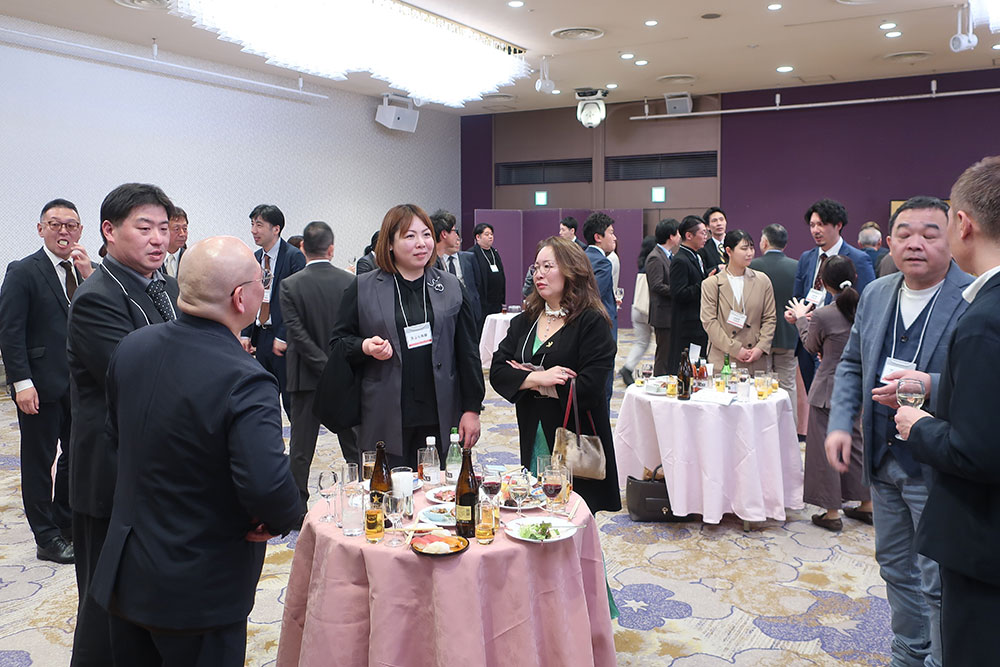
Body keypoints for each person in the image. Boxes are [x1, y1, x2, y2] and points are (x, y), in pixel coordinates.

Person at [90, 236, 303, 667]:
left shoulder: (132, 347)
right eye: (261, 282)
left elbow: (116, 439)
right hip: (198, 584)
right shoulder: (246, 378)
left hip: (127, 570)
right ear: (241, 297)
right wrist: (284, 517)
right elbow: (267, 484)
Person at [826, 195, 970, 667]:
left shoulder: (973, 297)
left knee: (939, 577)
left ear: (954, 238)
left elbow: (983, 382)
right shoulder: (876, 293)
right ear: (889, 242)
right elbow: (852, 363)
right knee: (893, 567)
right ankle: (908, 652)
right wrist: (840, 423)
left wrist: (929, 386)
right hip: (883, 459)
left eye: (930, 234)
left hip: (938, 464)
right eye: (905, 234)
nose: (916, 244)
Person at [66, 183, 179, 667]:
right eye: (144, 228)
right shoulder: (98, 297)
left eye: (164, 229)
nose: (158, 239)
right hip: (110, 473)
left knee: (141, 601)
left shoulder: (166, 287)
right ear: (109, 231)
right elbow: (133, 380)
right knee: (103, 605)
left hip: (154, 467)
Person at [895, 156, 1000, 666]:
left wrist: (919, 425)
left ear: (962, 224)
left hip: (982, 539)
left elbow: (977, 452)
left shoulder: (983, 318)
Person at [327, 204, 484, 468]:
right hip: (384, 411)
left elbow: (468, 352)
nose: (421, 243)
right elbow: (338, 343)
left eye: (426, 234)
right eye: (410, 236)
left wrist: (472, 409)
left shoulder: (451, 287)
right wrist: (365, 346)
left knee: (437, 486)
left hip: (440, 410)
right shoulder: (363, 287)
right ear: (389, 243)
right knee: (388, 487)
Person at [490, 236, 621, 513]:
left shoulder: (591, 322)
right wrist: (540, 378)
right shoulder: (525, 321)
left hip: (574, 438)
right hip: (533, 428)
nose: (538, 274)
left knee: (571, 515)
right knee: (535, 510)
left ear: (572, 270)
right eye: (536, 267)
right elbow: (499, 371)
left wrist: (524, 379)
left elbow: (590, 388)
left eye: (547, 266)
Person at [0, 198, 95, 565]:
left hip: (81, 384)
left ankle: (65, 519)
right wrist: (21, 382)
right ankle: (45, 536)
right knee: (39, 461)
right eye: (55, 224)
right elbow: (10, 331)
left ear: (80, 230)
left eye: (71, 225)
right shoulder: (24, 271)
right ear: (41, 229)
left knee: (77, 454)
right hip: (39, 385)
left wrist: (90, 275)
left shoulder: (89, 270)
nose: (63, 231)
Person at [786, 256, 871, 531]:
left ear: (822, 283)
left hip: (827, 389)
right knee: (855, 445)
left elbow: (811, 346)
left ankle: (832, 512)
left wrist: (801, 319)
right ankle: (866, 503)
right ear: (855, 277)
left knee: (824, 450)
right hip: (856, 387)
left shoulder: (824, 314)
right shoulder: (866, 310)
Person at [279, 221, 358, 509]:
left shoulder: (289, 285)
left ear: (302, 248)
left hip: (305, 378)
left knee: (301, 450)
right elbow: (355, 330)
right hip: (344, 377)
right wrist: (334, 369)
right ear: (331, 249)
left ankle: (296, 509)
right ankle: (364, 498)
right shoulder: (350, 282)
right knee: (354, 445)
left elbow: (297, 335)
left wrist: (322, 367)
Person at [794, 198, 876, 392]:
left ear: (838, 225)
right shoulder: (807, 258)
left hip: (837, 346)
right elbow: (798, 296)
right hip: (808, 339)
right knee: (814, 396)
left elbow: (868, 304)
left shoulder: (858, 259)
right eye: (812, 225)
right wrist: (796, 315)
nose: (815, 230)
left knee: (832, 401)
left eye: (821, 224)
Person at [240, 204, 306, 419]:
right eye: (252, 224)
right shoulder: (255, 257)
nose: (253, 230)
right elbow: (249, 297)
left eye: (259, 225)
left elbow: (298, 301)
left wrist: (283, 336)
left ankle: (299, 442)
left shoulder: (293, 257)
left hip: (284, 340)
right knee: (263, 398)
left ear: (276, 229)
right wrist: (245, 333)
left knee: (290, 401)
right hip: (261, 336)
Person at [699, 230, 775, 373]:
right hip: (723, 359)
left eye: (751, 248)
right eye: (744, 248)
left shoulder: (762, 280)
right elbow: (709, 322)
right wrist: (735, 349)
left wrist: (761, 347)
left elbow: (769, 318)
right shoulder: (712, 284)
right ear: (729, 251)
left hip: (755, 358)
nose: (750, 253)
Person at [750, 224, 800, 424]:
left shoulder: (752, 267)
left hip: (760, 338)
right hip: (789, 336)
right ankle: (789, 431)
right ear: (785, 244)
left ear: (764, 242)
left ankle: (764, 430)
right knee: (788, 387)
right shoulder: (797, 267)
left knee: (761, 387)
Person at [582, 212, 618, 403]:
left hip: (583, 329)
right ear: (598, 237)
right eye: (611, 232)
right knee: (604, 387)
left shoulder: (580, 257)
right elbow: (593, 296)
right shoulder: (603, 262)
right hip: (601, 328)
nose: (614, 237)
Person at [668, 215, 710, 371]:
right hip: (686, 325)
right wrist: (705, 284)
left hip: (697, 323)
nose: (705, 237)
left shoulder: (696, 256)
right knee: (686, 367)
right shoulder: (680, 260)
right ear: (689, 235)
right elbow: (679, 293)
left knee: (697, 366)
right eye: (703, 233)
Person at [432, 209, 484, 328]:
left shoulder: (439, 260)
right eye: (455, 231)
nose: (457, 236)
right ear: (444, 234)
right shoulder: (431, 264)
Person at [619, 236, 657, 386]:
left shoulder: (641, 265)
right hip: (652, 310)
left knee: (641, 342)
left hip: (637, 308)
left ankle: (628, 367)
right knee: (662, 343)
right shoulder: (656, 263)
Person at [645, 219, 680, 376]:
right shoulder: (655, 257)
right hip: (663, 314)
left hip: (671, 313)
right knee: (664, 355)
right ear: (671, 236)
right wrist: (678, 291)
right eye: (678, 233)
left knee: (671, 353)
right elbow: (656, 285)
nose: (680, 237)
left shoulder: (669, 255)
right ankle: (659, 381)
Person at [472, 222, 506, 317]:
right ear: (478, 237)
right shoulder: (472, 254)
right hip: (482, 301)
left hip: (496, 300)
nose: (490, 237)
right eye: (487, 234)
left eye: (491, 234)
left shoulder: (494, 252)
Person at [699, 206, 727, 272]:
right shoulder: (703, 249)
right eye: (714, 221)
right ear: (707, 226)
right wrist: (718, 268)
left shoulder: (736, 243)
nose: (719, 223)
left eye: (721, 219)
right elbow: (702, 272)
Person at [163, 207, 188, 278]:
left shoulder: (190, 259)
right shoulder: (152, 258)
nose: (182, 234)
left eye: (185, 229)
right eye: (176, 229)